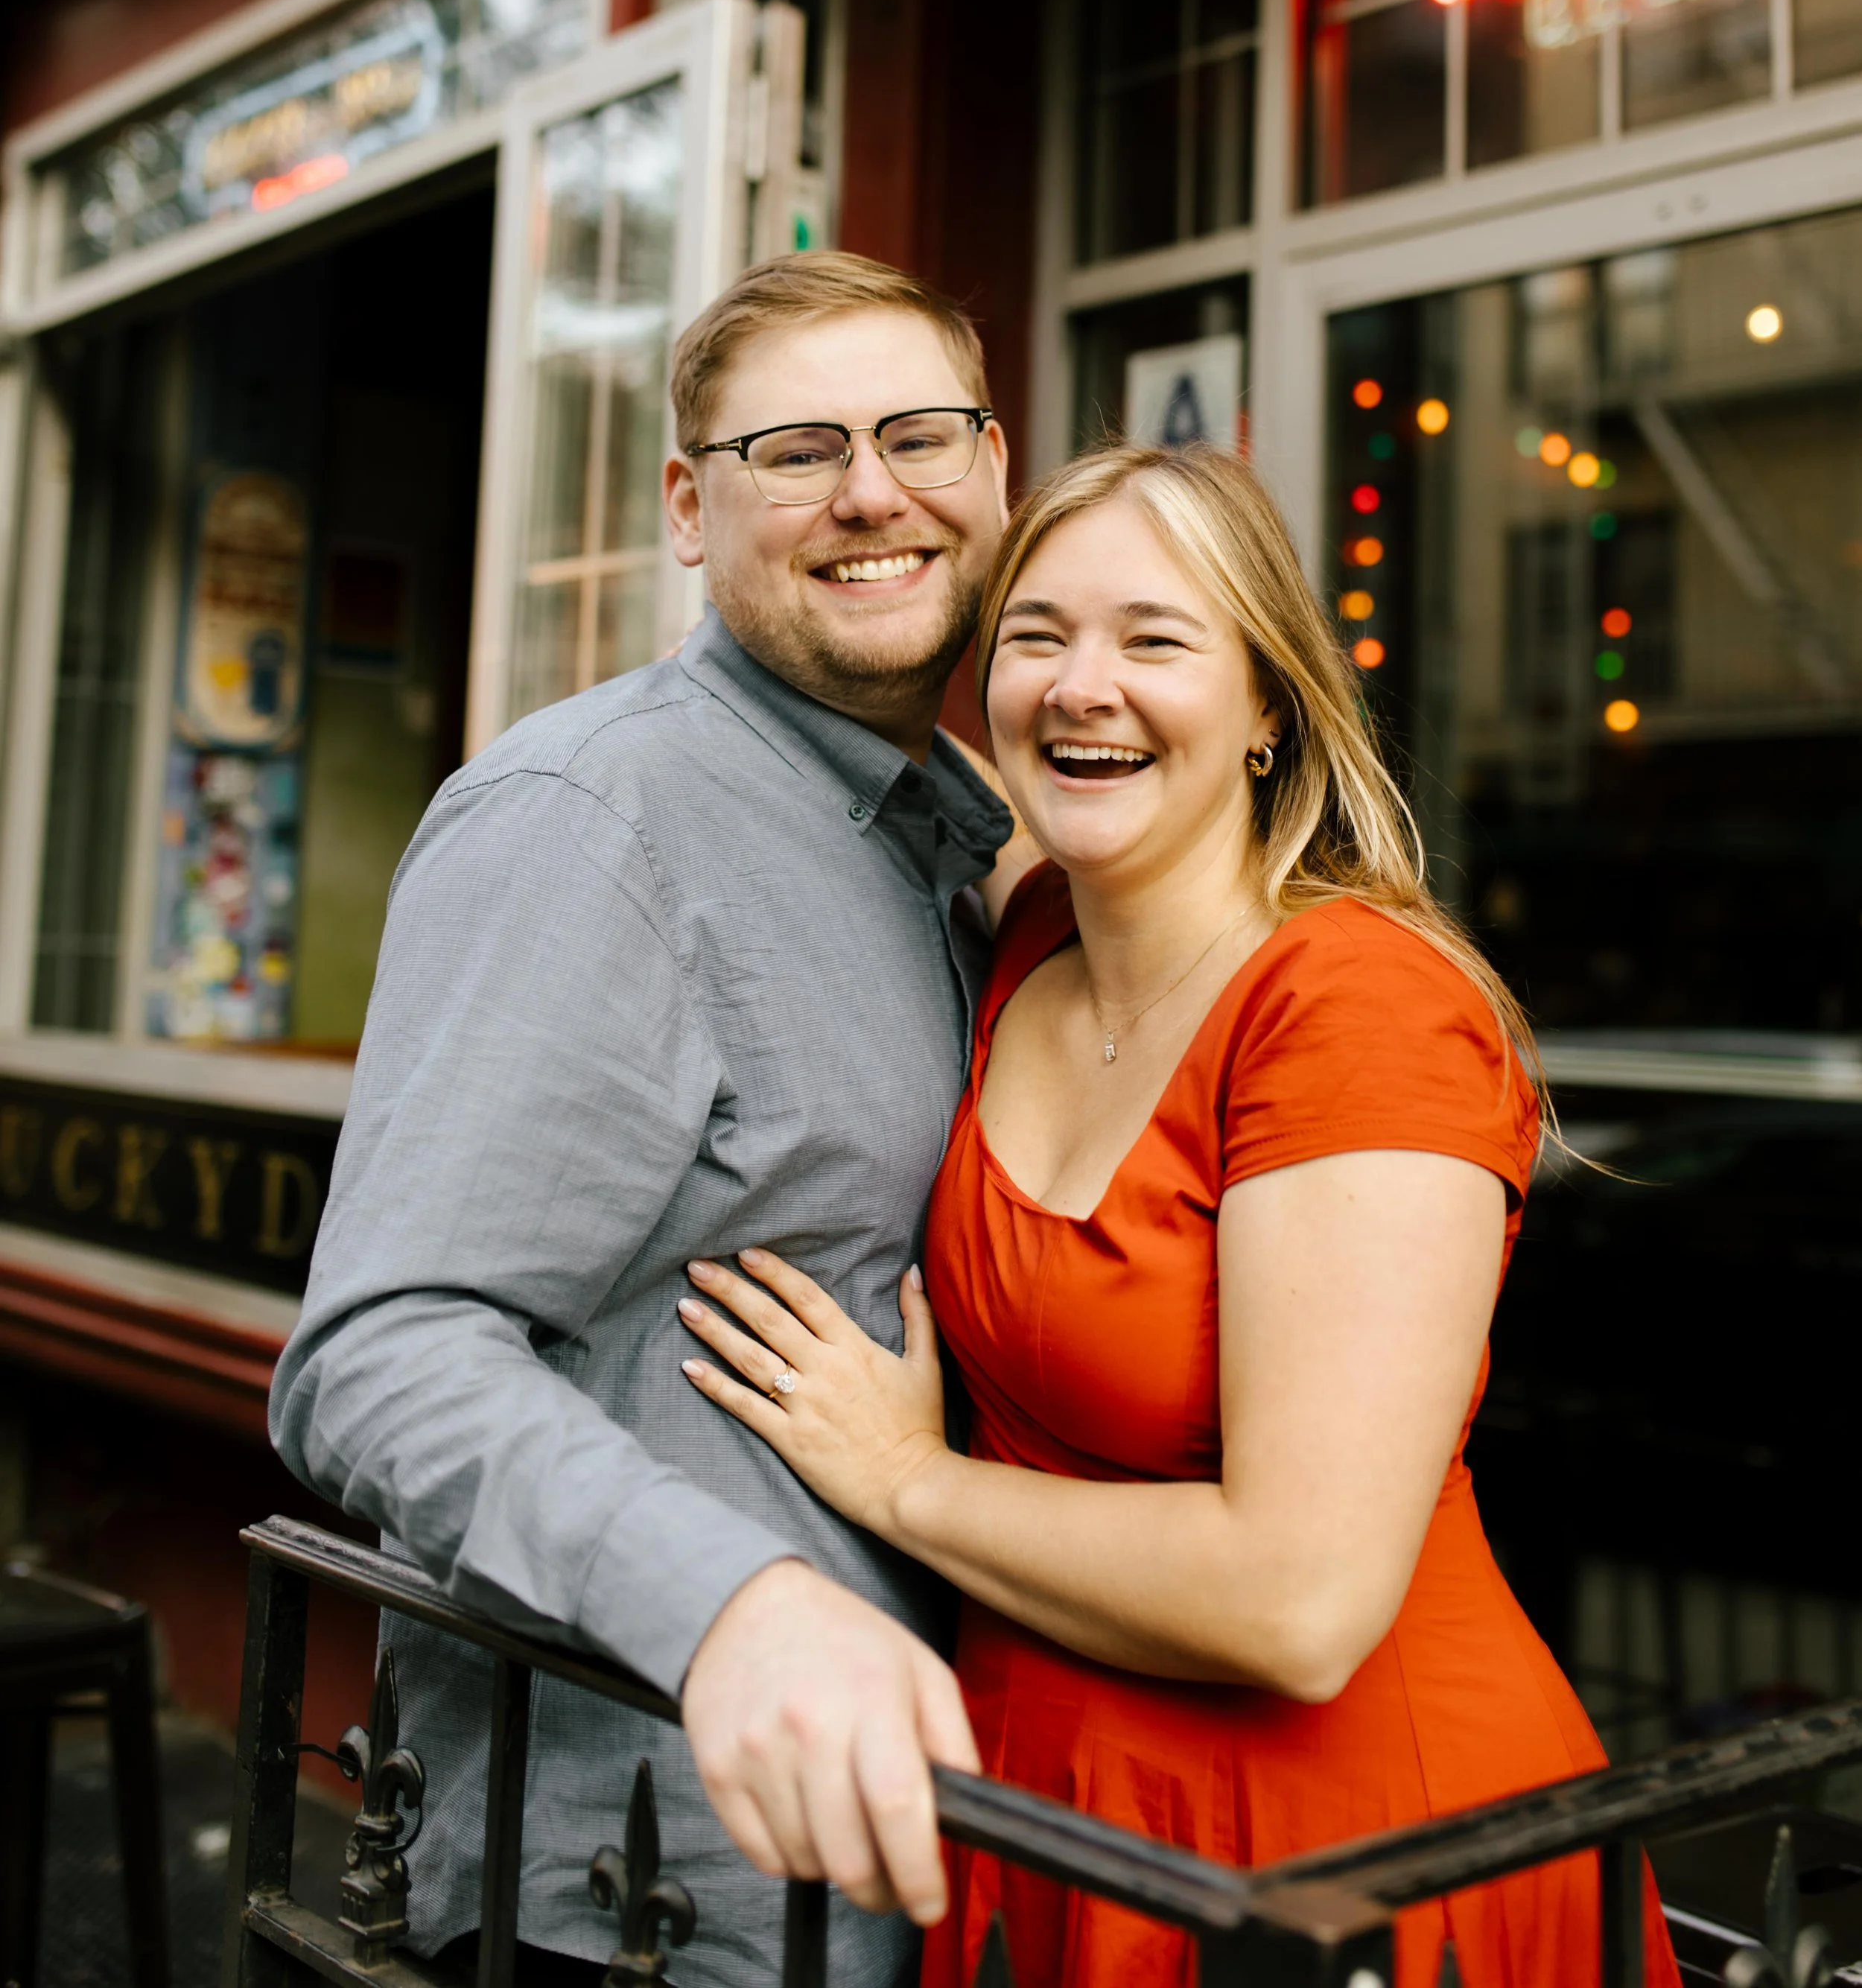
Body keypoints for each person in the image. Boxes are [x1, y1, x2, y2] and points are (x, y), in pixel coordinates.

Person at [676, 441, 1683, 1988]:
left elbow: (1301, 1603)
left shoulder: (1356, 1010)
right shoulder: (1023, 936)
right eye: (1035, 637)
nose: (1084, 686)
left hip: (1335, 1857)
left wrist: (898, 1480)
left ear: (1268, 706)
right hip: (1043, 1819)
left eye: (1155, 639)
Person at [270, 250, 1024, 1987]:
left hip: (925, 1856)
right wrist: (733, 1606)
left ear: (992, 473)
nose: (871, 493)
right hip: (645, 1891)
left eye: (921, 434)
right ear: (689, 508)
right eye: (794, 452)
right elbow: (378, 1356)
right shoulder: (590, 819)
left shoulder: (974, 837)